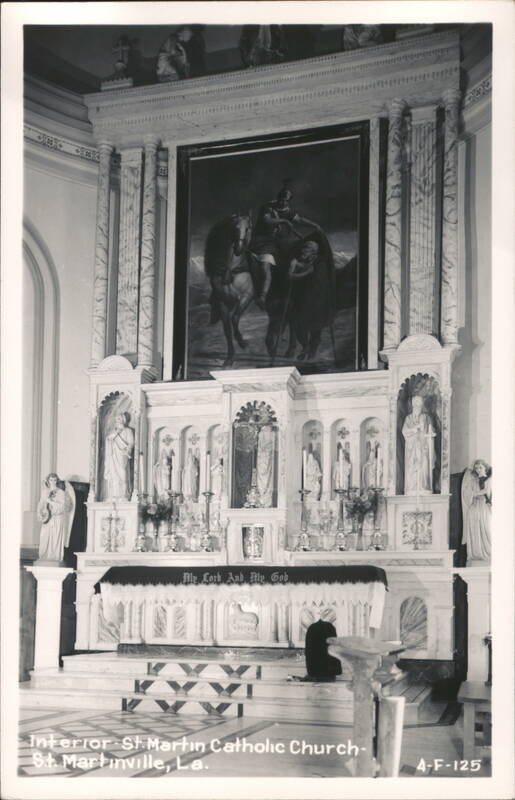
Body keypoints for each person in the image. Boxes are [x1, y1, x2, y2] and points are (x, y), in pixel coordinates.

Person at [250, 182, 321, 308]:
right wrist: (283, 221)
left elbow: (300, 220)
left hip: (273, 244)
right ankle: (262, 296)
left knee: (289, 260)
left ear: (288, 201)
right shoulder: (267, 207)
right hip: (261, 242)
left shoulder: (287, 210)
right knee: (265, 265)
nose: (282, 202)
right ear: (278, 198)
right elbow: (267, 221)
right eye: (281, 199)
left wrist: (315, 225)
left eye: (286, 200)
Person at [287, 238, 332, 360]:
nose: (302, 251)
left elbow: (316, 280)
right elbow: (293, 275)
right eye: (303, 248)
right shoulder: (301, 261)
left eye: (305, 249)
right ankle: (305, 346)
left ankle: (311, 354)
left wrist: (297, 272)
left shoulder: (319, 263)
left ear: (313, 252)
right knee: (298, 326)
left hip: (317, 301)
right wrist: (298, 268)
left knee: (315, 329)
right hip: (303, 300)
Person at [37, 473, 75, 563]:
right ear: (48, 481)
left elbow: (63, 507)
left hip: (57, 518)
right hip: (47, 518)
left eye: (54, 480)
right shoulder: (44, 492)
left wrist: (51, 502)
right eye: (51, 480)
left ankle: (54, 558)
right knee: (44, 537)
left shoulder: (61, 493)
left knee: (55, 539)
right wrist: (40, 512)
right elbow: (41, 504)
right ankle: (43, 557)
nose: (53, 482)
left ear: (57, 481)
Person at [401, 395, 436, 495]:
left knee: (424, 466)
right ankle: (411, 487)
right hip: (411, 449)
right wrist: (414, 428)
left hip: (423, 448)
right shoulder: (408, 418)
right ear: (413, 405)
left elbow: (431, 430)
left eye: (420, 404)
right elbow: (404, 431)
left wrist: (431, 435)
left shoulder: (426, 417)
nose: (418, 406)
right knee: (412, 467)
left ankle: (424, 486)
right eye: (416, 403)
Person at [461, 459, 492, 563]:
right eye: (476, 468)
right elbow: (466, 494)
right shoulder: (472, 481)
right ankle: (476, 554)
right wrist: (473, 494)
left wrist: (475, 493)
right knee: (475, 530)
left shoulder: (489, 480)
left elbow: (487, 492)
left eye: (480, 467)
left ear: (485, 468)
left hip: (483, 506)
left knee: (486, 528)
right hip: (474, 507)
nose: (478, 470)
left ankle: (488, 553)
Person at [104, 412, 135, 500]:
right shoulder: (113, 432)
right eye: (117, 419)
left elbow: (131, 443)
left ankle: (124, 495)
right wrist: (116, 433)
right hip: (113, 456)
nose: (118, 421)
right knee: (114, 475)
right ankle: (114, 495)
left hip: (122, 456)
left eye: (120, 419)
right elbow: (108, 440)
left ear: (124, 420)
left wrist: (127, 450)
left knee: (123, 474)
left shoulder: (128, 431)